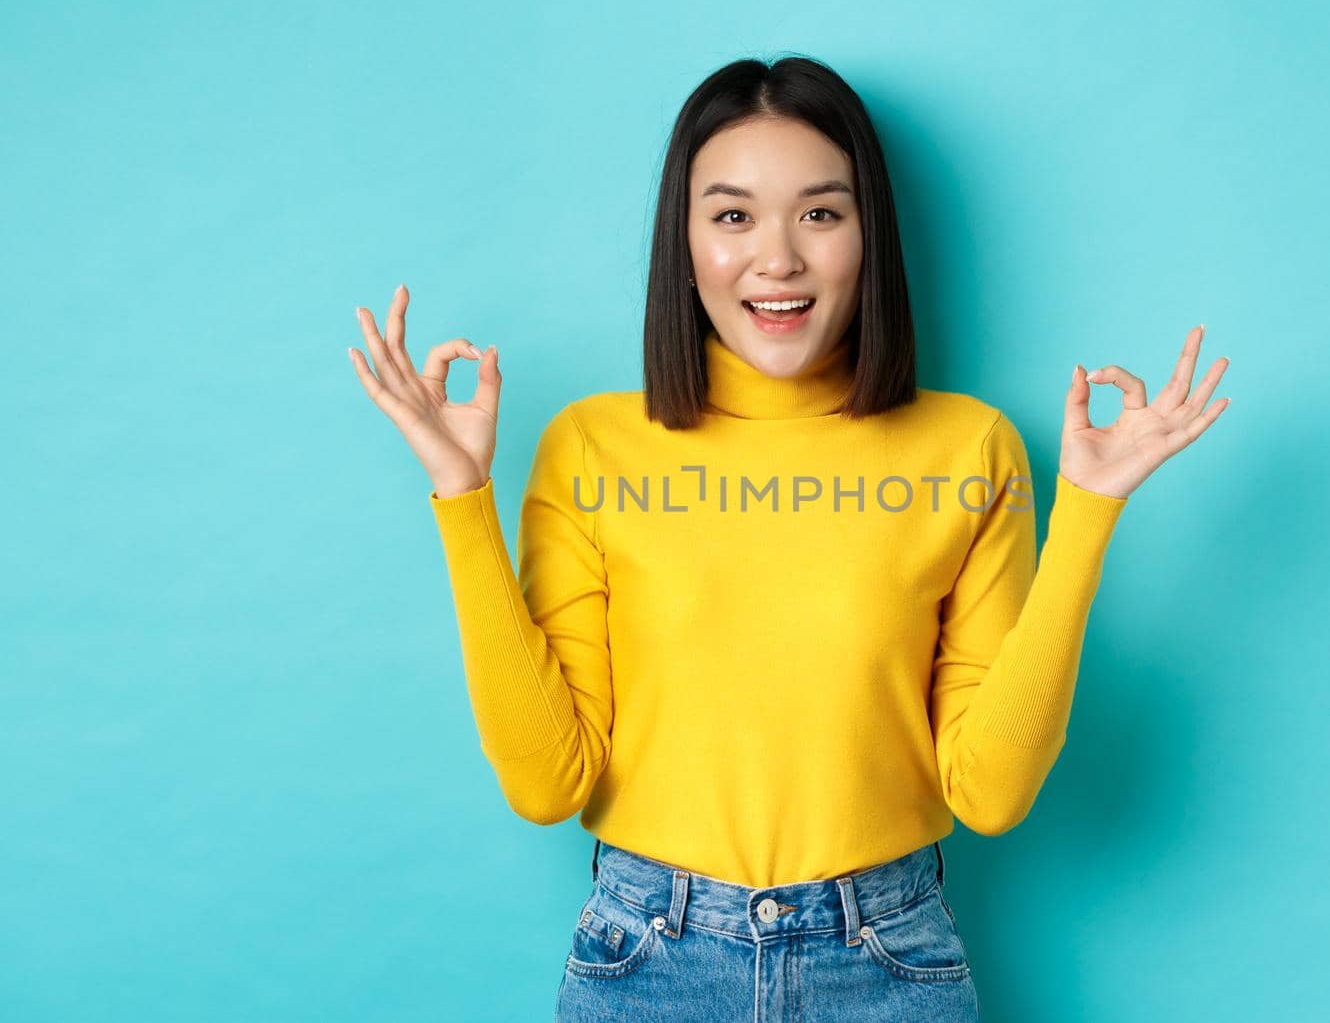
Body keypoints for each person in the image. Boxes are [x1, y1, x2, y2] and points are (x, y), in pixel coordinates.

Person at [348, 54, 1229, 1021]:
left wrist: (1089, 513)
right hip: (648, 956)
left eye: (820, 212)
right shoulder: (592, 446)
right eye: (732, 215)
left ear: (868, 235)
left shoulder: (969, 446)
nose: (778, 259)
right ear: (683, 241)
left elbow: (990, 792)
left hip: (889, 961)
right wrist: (461, 490)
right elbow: (547, 780)